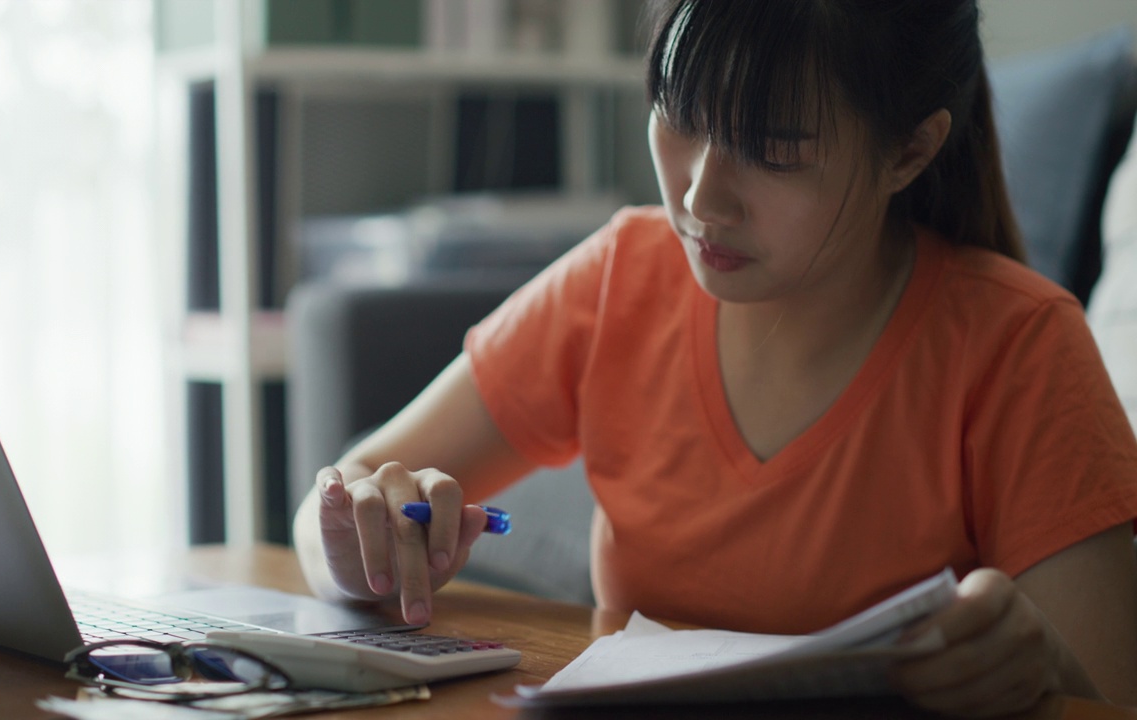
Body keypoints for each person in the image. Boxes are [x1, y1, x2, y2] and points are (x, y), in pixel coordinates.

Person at [293, 0, 1137, 715]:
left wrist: (1041, 670)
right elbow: (348, 484)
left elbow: (1110, 693)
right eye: (681, 115)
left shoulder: (1019, 346)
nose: (700, 197)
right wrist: (351, 540)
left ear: (909, 153)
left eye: (773, 148)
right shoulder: (621, 275)